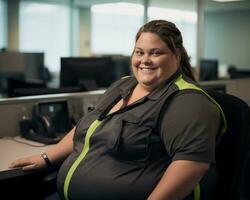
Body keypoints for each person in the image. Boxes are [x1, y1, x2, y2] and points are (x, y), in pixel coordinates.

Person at [10, 20, 226, 200]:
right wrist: (47, 157)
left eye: (156, 52)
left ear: (176, 56)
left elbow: (191, 165)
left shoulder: (187, 101)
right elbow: (87, 128)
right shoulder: (123, 85)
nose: (145, 60)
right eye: (139, 52)